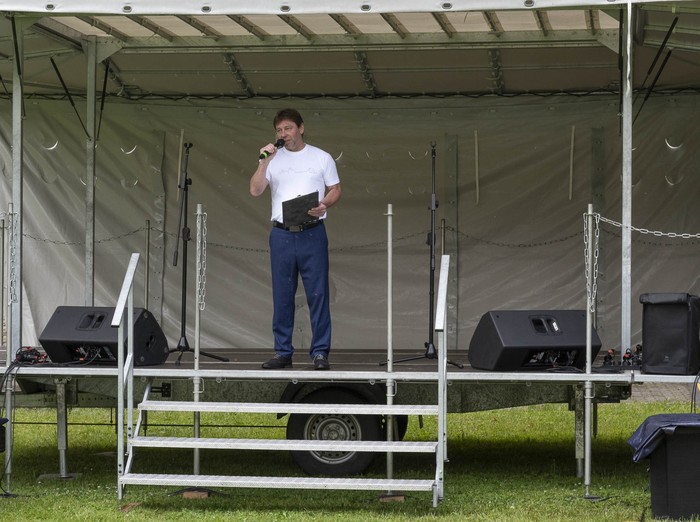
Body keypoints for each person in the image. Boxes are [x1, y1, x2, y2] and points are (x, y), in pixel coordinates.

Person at [250, 109, 341, 370]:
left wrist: (324, 204)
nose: (283, 134)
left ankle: (320, 352)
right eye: (279, 130)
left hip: (312, 231)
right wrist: (263, 162)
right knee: (282, 294)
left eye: (288, 128)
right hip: (282, 234)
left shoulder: (321, 157)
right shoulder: (272, 159)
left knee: (318, 293)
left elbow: (335, 188)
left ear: (301, 128)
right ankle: (282, 352)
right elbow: (255, 190)